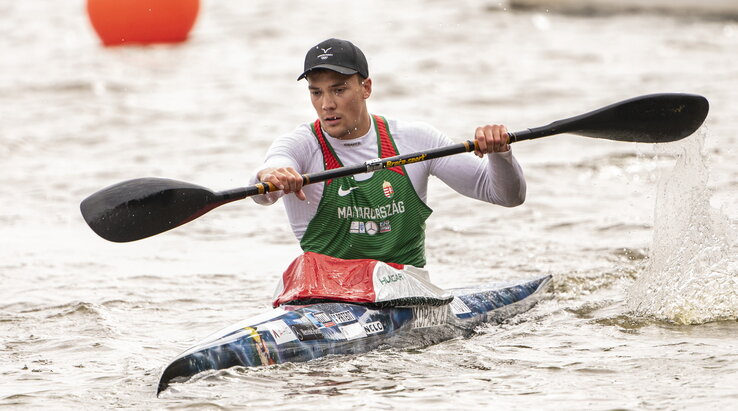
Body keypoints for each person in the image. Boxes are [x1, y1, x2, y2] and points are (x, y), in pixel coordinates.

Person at [251, 38, 525, 304]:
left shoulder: (415, 140)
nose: (327, 104)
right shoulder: (301, 144)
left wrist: (500, 154)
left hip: (402, 292)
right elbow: (265, 184)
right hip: (322, 294)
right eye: (316, 92)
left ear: (366, 87)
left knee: (377, 275)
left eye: (338, 89)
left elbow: (506, 196)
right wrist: (272, 177)